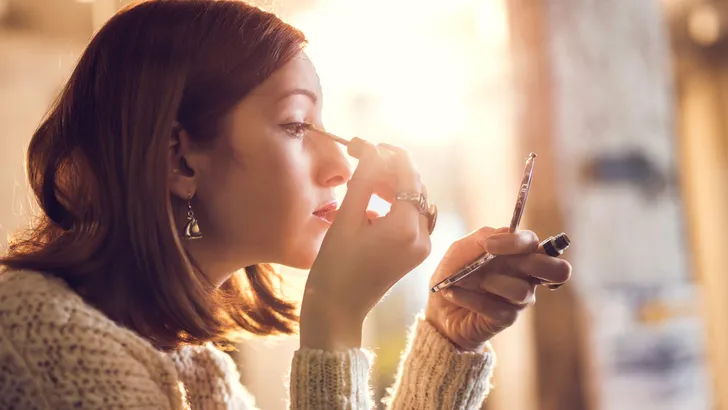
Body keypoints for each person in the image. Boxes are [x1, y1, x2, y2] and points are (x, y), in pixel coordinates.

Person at [0, 1, 572, 409]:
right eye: (297, 124)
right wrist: (334, 319)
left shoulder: (202, 373)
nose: (342, 166)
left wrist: (446, 339)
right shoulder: (37, 344)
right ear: (178, 160)